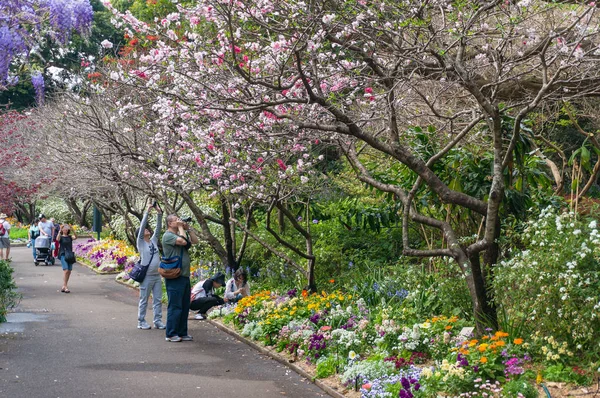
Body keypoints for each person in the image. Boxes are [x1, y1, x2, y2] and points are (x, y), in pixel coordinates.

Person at [162, 214, 199, 342]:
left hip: (184, 275)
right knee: (175, 306)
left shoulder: (179, 233)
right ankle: (171, 333)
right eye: (175, 220)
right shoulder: (168, 236)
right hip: (174, 275)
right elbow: (183, 241)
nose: (179, 222)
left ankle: (182, 332)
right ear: (169, 223)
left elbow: (195, 241)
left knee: (184, 305)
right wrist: (181, 228)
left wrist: (188, 228)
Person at [135, 203, 164, 330]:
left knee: (158, 299)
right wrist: (147, 211)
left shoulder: (153, 241)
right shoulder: (140, 243)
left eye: (148, 229)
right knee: (144, 300)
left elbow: (158, 228)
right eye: (145, 230)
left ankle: (157, 320)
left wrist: (159, 213)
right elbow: (141, 228)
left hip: (157, 275)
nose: (147, 230)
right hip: (146, 276)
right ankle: (141, 321)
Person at [57, 224, 77, 293]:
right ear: (62, 230)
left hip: (70, 255)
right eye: (64, 229)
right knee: (66, 270)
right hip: (63, 254)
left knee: (69, 271)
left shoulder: (70, 237)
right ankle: (65, 286)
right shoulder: (61, 237)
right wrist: (60, 231)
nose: (65, 230)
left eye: (66, 229)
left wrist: (73, 229)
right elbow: (57, 239)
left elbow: (76, 237)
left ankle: (64, 285)